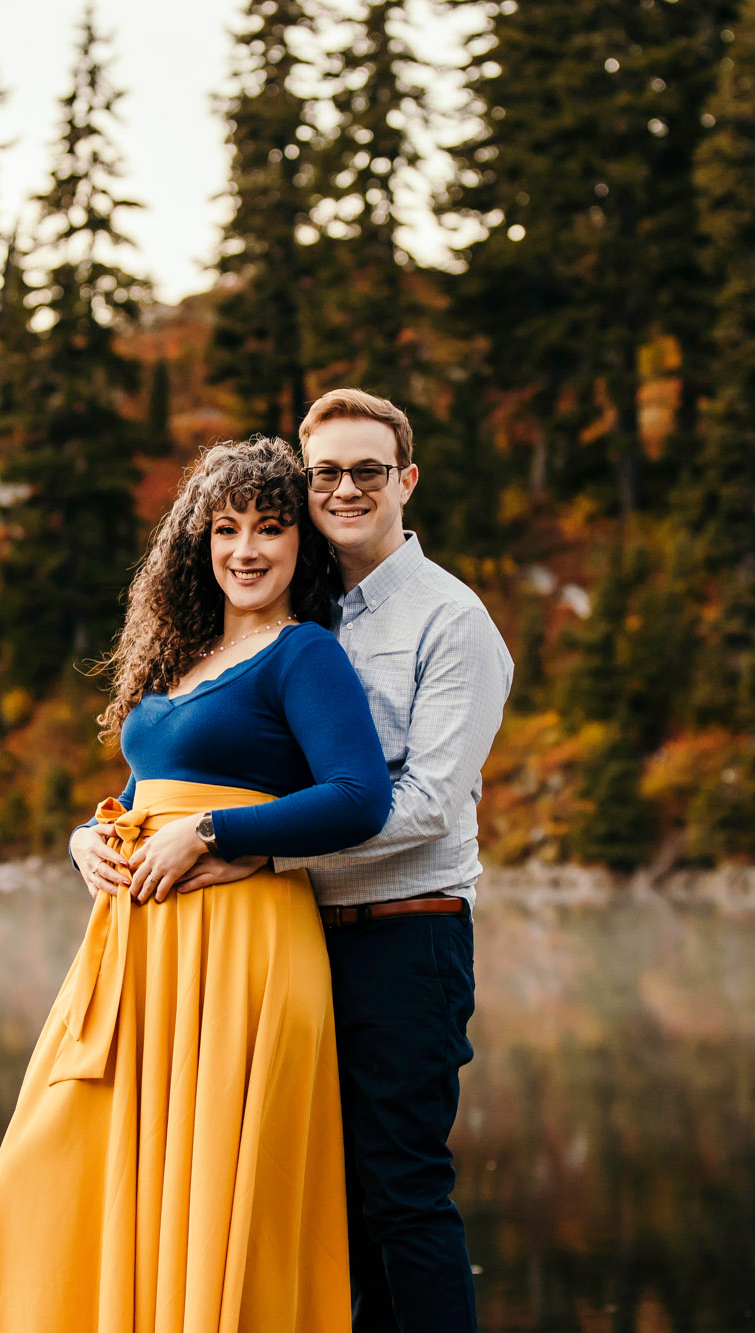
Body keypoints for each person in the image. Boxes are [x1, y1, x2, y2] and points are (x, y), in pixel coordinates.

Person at [0, 435, 393, 1333]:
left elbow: (359, 798)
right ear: (197, 542)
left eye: (270, 529)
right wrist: (89, 834)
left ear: (300, 544)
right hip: (139, 958)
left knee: (214, 1194)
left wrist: (211, 830)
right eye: (226, 528)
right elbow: (143, 788)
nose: (246, 549)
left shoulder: (303, 653)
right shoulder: (180, 656)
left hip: (239, 953)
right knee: (63, 1161)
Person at [180, 389, 513, 1333]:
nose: (346, 488)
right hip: (297, 945)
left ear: (406, 480)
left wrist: (252, 849)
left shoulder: (454, 621)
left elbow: (422, 807)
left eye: (368, 469)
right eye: (326, 471)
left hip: (406, 940)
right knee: (328, 1201)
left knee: (402, 1193)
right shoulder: (303, 613)